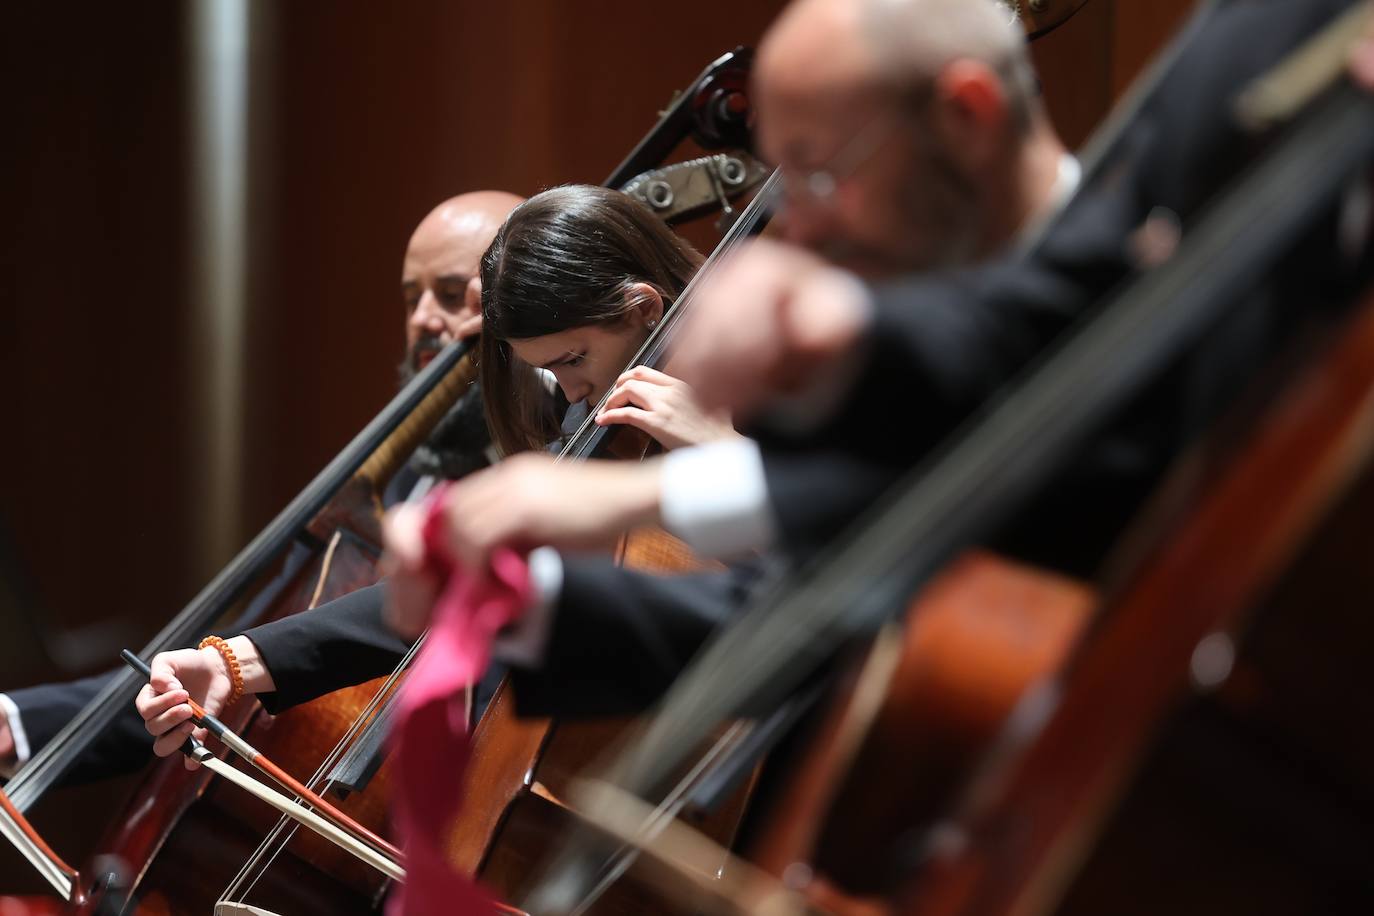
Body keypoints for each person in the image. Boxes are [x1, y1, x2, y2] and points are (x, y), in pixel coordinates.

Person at [386, 0, 1374, 666]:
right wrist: (550, 600)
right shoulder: (1255, 37)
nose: (799, 222)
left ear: (968, 114)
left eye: (816, 174)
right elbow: (871, 549)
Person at [136, 185, 744, 759]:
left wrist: (732, 458)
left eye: (573, 359)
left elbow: (824, 580)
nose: (572, 389)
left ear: (643, 309)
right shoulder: (602, 428)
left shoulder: (778, 388)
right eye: (549, 370)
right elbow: (461, 587)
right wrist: (236, 662)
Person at [0, 190, 523, 784]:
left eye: (454, 297)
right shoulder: (388, 485)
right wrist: (17, 722)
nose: (425, 320)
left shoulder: (557, 490)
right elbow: (215, 674)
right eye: (412, 298)